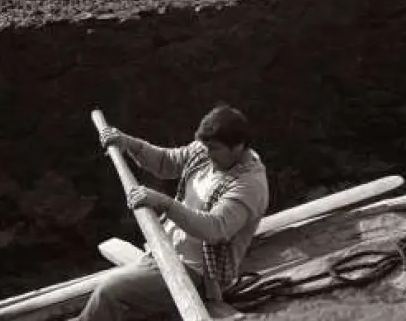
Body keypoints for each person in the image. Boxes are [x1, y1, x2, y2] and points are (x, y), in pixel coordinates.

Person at [75, 103, 270, 321]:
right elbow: (166, 162)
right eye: (205, 146)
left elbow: (215, 228)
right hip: (164, 250)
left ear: (238, 147)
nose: (207, 152)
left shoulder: (249, 185)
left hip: (196, 274)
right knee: (115, 299)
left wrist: (165, 204)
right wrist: (129, 143)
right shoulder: (205, 151)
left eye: (214, 148)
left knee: (109, 291)